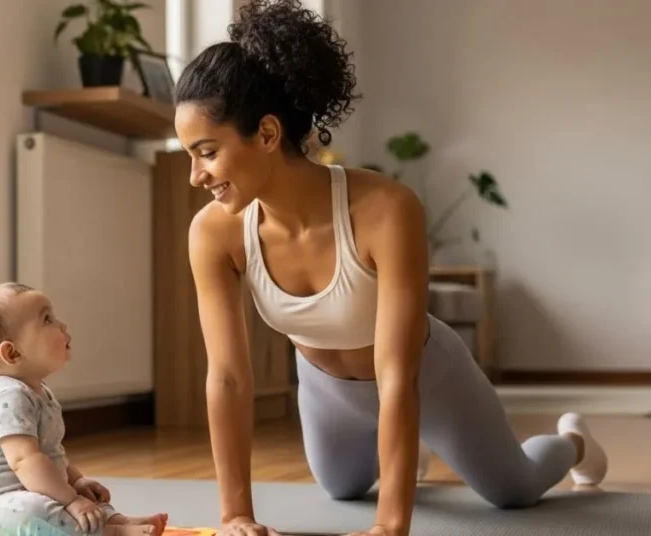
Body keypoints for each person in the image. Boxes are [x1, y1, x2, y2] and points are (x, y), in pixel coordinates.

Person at [173, 1, 608, 535]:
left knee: (513, 490)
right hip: (325, 390)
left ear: (266, 135)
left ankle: (574, 442)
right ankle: (406, 450)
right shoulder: (213, 233)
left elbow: (398, 375)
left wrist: (390, 526)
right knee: (341, 487)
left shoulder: (385, 210)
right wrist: (235, 517)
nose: (196, 176)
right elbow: (229, 378)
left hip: (425, 373)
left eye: (206, 152)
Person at [0, 282, 169, 536]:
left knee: (81, 497)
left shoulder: (39, 393)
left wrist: (75, 482)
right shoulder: (8, 397)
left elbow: (51, 453)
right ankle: (111, 533)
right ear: (12, 352)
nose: (61, 325)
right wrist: (71, 499)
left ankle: (117, 520)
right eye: (47, 319)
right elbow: (25, 461)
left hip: (24, 490)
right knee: (37, 508)